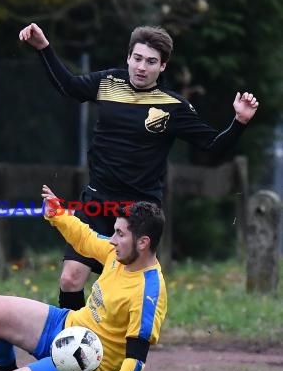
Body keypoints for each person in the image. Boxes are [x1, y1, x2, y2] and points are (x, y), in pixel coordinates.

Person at [19, 22, 259, 311]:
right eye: (137, 58)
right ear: (128, 58)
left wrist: (239, 122)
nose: (142, 67)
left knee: (122, 294)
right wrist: (44, 48)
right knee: (70, 279)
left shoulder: (173, 107)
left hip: (139, 211)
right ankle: (73, 345)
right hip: (96, 203)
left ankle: (127, 348)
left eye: (151, 61)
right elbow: (68, 87)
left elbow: (213, 144)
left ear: (163, 66)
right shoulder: (108, 82)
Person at [0, 185, 167, 371]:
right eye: (114, 231)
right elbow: (85, 238)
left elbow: (135, 359)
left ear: (143, 243)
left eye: (120, 234)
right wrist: (57, 214)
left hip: (84, 364)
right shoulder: (117, 253)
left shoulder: (149, 291)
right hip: (66, 324)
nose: (112, 240)